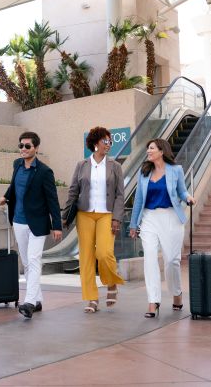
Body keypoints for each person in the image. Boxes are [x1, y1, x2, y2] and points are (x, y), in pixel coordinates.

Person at [0, 131, 63, 319]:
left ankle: (30, 303)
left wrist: (56, 225)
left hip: (38, 223)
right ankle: (38, 299)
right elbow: (14, 186)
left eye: (27, 146)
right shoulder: (17, 165)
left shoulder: (44, 171)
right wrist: (6, 197)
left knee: (33, 261)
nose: (23, 149)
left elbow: (53, 200)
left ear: (36, 148)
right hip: (18, 221)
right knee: (26, 262)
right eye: (21, 146)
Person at [128, 138, 195, 318]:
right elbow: (139, 201)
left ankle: (177, 293)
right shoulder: (143, 173)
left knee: (171, 261)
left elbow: (182, 191)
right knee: (149, 258)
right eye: (147, 149)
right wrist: (133, 224)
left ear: (161, 151)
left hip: (171, 217)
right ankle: (153, 301)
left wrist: (188, 197)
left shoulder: (176, 170)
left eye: (151, 148)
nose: (148, 152)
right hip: (149, 218)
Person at [65, 126, 126, 313]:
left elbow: (119, 195)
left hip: (106, 215)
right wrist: (65, 216)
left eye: (110, 142)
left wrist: (117, 218)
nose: (108, 145)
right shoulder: (82, 165)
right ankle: (91, 299)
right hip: (85, 214)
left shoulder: (115, 166)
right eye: (105, 141)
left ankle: (111, 283)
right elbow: (73, 190)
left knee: (105, 253)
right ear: (95, 143)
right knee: (86, 258)